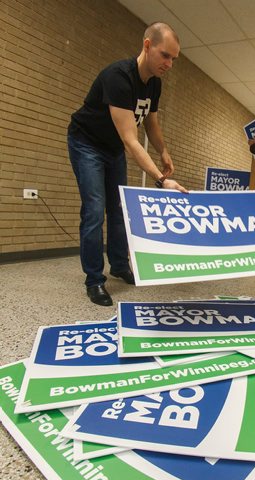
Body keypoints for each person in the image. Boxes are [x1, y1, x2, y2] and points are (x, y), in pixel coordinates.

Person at [68, 22, 187, 306]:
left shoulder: (154, 83)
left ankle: (119, 266)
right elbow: (131, 140)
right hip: (87, 143)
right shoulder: (118, 76)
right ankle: (95, 280)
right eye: (165, 55)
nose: (169, 64)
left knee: (119, 209)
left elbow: (150, 121)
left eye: (173, 58)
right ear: (147, 46)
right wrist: (161, 179)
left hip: (112, 148)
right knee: (95, 210)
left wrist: (164, 151)